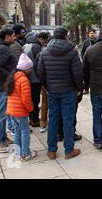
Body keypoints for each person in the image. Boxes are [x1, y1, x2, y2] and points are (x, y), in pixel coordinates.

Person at [37, 27, 83, 160]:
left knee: (53, 119)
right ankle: (69, 150)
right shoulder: (72, 52)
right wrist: (79, 88)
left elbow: (40, 72)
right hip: (68, 91)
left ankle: (51, 150)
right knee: (68, 120)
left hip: (53, 90)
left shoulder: (44, 52)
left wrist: (48, 86)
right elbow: (77, 74)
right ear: (65, 36)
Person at [0, 27, 17, 153]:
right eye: (13, 36)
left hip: (2, 85)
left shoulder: (1, 46)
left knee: (3, 113)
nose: (15, 38)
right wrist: (9, 77)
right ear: (7, 37)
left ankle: (2, 138)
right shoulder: (1, 48)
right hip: (1, 86)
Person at [5, 53, 37, 161]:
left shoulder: (13, 77)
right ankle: (25, 153)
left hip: (11, 110)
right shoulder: (24, 80)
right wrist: (30, 109)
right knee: (25, 131)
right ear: (26, 68)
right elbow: (26, 99)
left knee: (17, 131)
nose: (31, 69)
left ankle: (18, 153)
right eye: (30, 67)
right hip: (20, 111)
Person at [23, 32, 50, 128]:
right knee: (35, 100)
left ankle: (31, 118)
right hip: (35, 78)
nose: (44, 43)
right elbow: (39, 65)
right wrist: (42, 77)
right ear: (42, 38)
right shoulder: (37, 47)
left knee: (30, 99)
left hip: (27, 76)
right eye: (45, 41)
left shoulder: (26, 45)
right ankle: (34, 119)